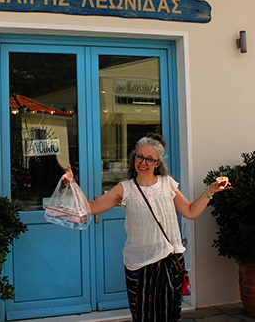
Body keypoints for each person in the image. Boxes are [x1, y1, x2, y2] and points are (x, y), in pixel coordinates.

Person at [62, 133, 231, 322]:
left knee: (169, 316)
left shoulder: (168, 184)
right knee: (144, 317)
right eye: (139, 157)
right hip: (140, 264)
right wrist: (72, 184)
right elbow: (91, 207)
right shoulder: (124, 189)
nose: (143, 162)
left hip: (170, 260)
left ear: (157, 163)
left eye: (149, 159)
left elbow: (190, 211)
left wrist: (210, 191)